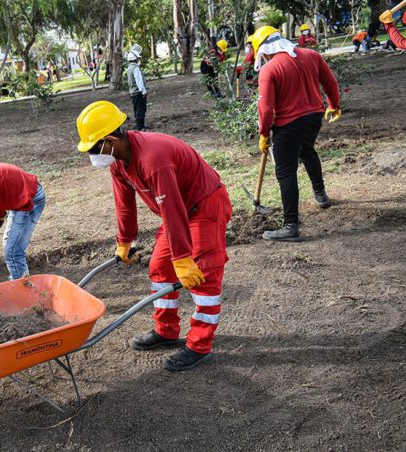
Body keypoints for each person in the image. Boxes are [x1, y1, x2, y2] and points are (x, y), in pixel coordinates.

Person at [75, 101, 232, 372]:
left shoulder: (153, 159)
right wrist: (125, 241)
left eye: (93, 148)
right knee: (159, 267)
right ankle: (166, 330)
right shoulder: (119, 161)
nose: (91, 155)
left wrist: (182, 258)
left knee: (202, 276)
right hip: (177, 211)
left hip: (204, 206)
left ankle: (199, 345)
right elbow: (124, 203)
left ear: (110, 140)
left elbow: (172, 209)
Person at [252, 25, 341, 242]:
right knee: (307, 150)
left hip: (288, 125)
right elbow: (330, 83)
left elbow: (266, 108)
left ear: (264, 50)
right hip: (313, 118)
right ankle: (321, 195)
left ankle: (290, 226)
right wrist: (334, 105)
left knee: (286, 172)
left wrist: (264, 133)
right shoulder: (311, 55)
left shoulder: (269, 69)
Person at [126, 44, 148, 130]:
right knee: (141, 109)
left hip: (132, 93)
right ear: (135, 59)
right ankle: (140, 126)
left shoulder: (129, 68)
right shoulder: (136, 68)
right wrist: (144, 92)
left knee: (136, 109)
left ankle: (138, 124)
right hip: (138, 92)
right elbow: (139, 82)